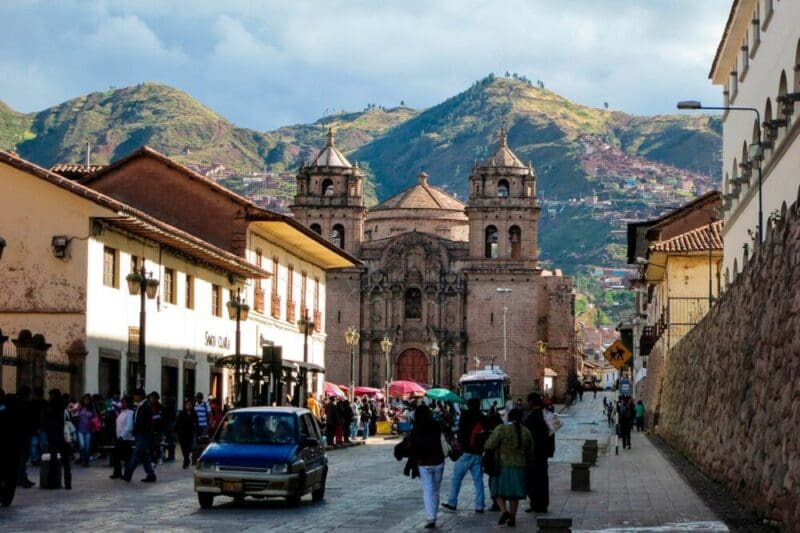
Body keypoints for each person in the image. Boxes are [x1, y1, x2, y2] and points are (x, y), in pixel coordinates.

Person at [484, 407, 534, 527]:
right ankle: (512, 517)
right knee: (514, 495)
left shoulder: (502, 429)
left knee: (497, 491)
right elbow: (531, 451)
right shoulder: (526, 431)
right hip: (519, 467)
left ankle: (504, 511)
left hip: (502, 466)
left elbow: (489, 444)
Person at [442, 397, 487, 513]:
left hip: (465, 452)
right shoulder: (482, 416)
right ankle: (480, 505)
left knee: (457, 478)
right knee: (478, 481)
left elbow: (461, 432)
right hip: (478, 453)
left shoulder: (465, 415)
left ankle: (452, 502)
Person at [407, 404, 445, 529]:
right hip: (438, 461)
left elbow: (411, 446)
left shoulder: (416, 428)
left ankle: (431, 517)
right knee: (435, 490)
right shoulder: (436, 425)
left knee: (428, 490)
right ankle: (433, 514)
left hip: (423, 463)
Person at [524, 392, 554, 514]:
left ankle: (535, 503)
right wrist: (550, 450)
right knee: (543, 479)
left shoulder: (530, 418)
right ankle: (543, 504)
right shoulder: (547, 415)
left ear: (532, 402)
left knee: (531, 480)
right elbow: (553, 434)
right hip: (543, 453)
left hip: (533, 454)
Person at [123, 388, 156, 483]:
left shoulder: (146, 407)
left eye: (135, 395)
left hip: (143, 434)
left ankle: (127, 474)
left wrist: (137, 430)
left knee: (136, 455)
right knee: (144, 456)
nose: (134, 397)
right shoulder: (139, 406)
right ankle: (151, 475)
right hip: (139, 434)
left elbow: (145, 423)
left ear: (140, 396)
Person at [43, 389, 72, 490]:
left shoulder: (50, 409)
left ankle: (53, 482)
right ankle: (68, 483)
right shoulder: (64, 409)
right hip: (63, 437)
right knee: (65, 461)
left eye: (50, 395)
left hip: (54, 437)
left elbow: (46, 423)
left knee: (54, 460)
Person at [110, 396, 134, 479]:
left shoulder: (130, 413)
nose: (122, 404)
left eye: (124, 402)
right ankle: (117, 472)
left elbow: (129, 427)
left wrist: (122, 435)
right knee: (116, 456)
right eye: (122, 402)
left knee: (127, 458)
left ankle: (126, 474)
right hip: (119, 438)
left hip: (126, 439)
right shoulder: (121, 412)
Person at [15, 386, 35, 488]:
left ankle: (20, 478)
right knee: (23, 458)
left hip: (16, 434)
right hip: (24, 435)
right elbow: (29, 420)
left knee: (19, 458)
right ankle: (21, 478)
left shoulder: (14, 404)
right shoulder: (27, 405)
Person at [176, 400, 199, 468]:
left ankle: (186, 461)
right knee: (183, 447)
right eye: (187, 405)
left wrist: (196, 430)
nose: (188, 406)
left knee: (188, 447)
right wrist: (176, 431)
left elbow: (196, 423)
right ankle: (186, 459)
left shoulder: (194, 414)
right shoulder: (182, 413)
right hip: (182, 433)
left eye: (190, 405)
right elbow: (178, 422)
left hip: (190, 433)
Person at [75, 394, 96, 467]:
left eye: (88, 399)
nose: (86, 401)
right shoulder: (80, 408)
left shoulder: (92, 409)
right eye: (85, 399)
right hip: (80, 429)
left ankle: (85, 461)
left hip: (88, 430)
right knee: (82, 446)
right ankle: (83, 458)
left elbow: (95, 419)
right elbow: (76, 417)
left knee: (87, 447)